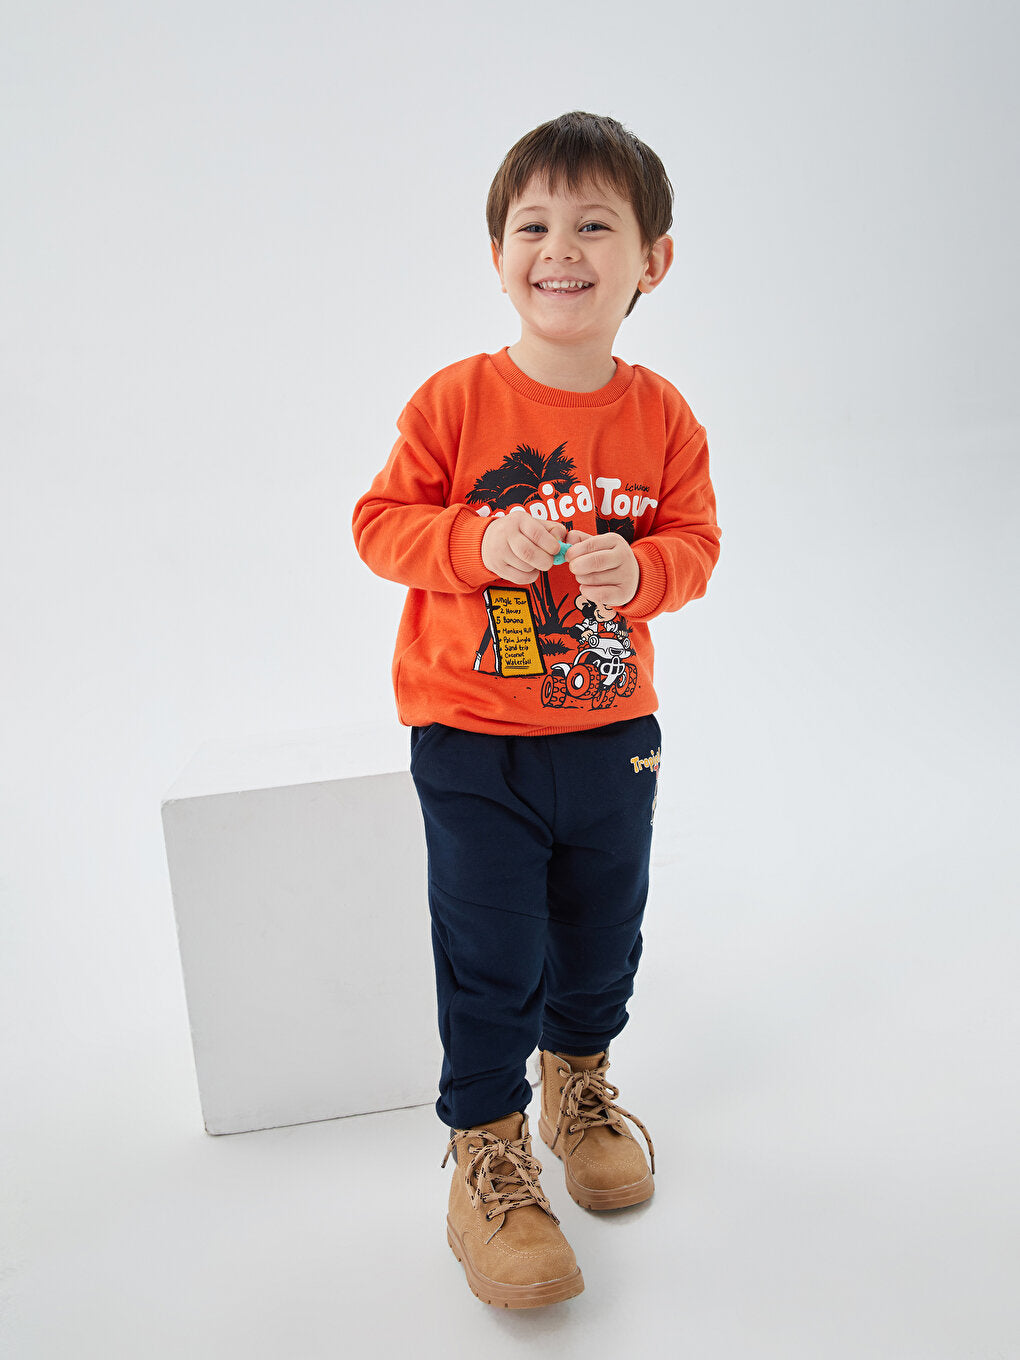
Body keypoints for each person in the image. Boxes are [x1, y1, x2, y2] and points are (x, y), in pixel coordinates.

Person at [352, 111, 721, 1309]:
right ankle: (488, 1150)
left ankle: (578, 1085)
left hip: (611, 736)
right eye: (533, 226)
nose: (560, 248)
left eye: (594, 225)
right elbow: (378, 526)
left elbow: (696, 544)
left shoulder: (662, 416)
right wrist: (474, 544)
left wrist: (642, 569)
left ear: (652, 260)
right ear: (498, 253)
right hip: (473, 741)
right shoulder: (456, 400)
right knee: (490, 948)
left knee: (603, 932)